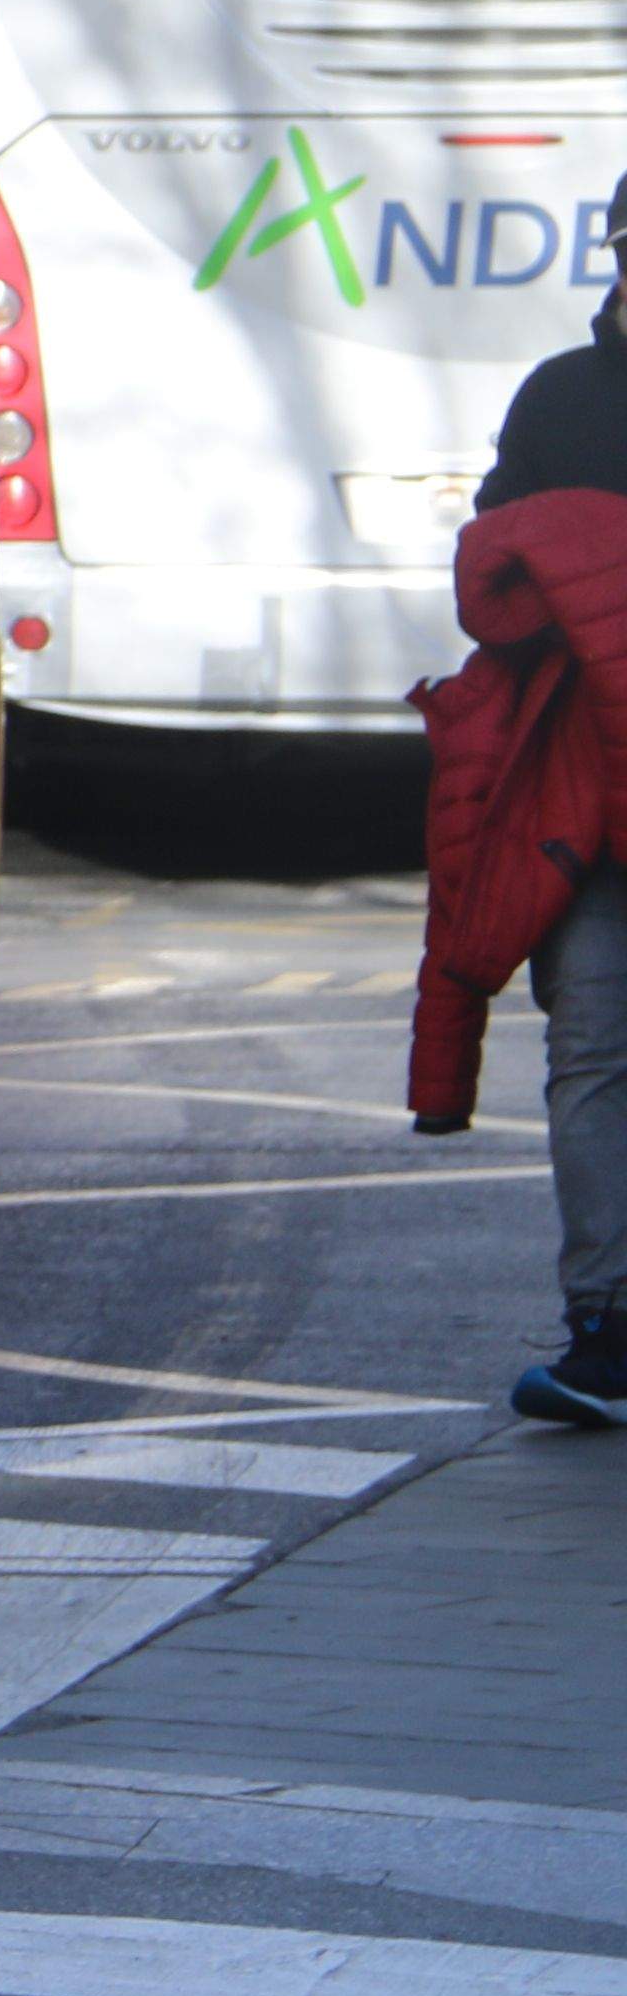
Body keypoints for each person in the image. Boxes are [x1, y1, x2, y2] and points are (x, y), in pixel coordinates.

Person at [420, 171, 627, 1425]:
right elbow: (490, 573)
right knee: (593, 1053)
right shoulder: (558, 397)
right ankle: (605, 1328)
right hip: (588, 796)